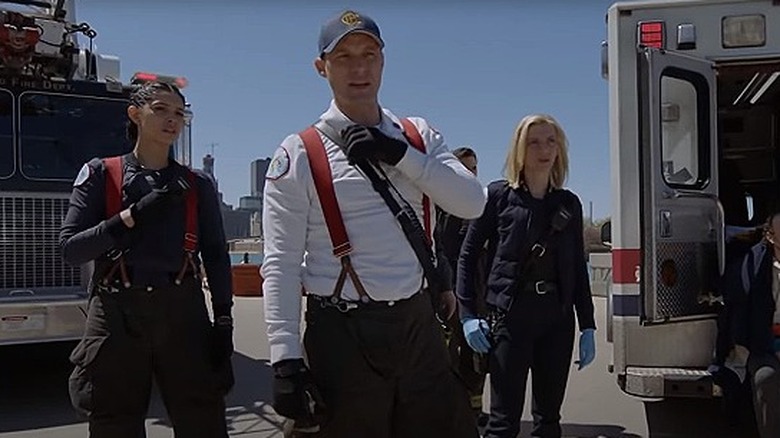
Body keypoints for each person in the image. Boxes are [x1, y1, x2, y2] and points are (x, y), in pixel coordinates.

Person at [262, 9, 485, 437]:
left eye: (369, 54)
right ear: (321, 67)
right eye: (343, 57)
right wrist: (285, 358)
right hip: (342, 335)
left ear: (383, 61)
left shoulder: (417, 135)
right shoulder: (300, 153)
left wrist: (399, 153)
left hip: (418, 326)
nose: (359, 67)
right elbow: (281, 264)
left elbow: (472, 202)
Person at [60, 81, 234, 438]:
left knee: (203, 418)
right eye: (160, 109)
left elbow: (216, 255)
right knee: (114, 421)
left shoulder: (196, 184)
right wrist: (129, 216)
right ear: (135, 114)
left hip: (182, 312)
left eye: (179, 113)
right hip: (116, 312)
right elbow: (72, 249)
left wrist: (224, 318)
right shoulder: (100, 174)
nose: (172, 119)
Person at [456, 114, 597, 438]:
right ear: (520, 149)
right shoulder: (497, 197)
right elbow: (467, 256)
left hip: (556, 319)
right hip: (511, 316)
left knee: (548, 420)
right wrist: (468, 315)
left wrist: (587, 324)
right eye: (534, 142)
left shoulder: (568, 205)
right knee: (503, 421)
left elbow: (577, 267)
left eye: (550, 141)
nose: (543, 149)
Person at [434, 146, 488, 423]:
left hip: (475, 295)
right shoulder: (437, 207)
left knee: (474, 358)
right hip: (444, 293)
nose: (470, 173)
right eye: (464, 168)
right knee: (443, 357)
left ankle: (474, 408)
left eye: (474, 168)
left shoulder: (481, 207)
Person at [715, 209, 780, 438]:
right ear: (770, 236)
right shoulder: (751, 268)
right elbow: (737, 311)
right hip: (766, 345)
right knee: (766, 378)